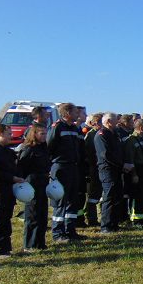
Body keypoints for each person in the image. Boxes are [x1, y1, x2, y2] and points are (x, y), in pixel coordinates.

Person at [0, 124, 26, 258]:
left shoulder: (7, 151)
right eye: (8, 134)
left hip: (9, 189)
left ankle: (5, 248)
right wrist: (12, 178)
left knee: (6, 218)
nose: (11, 136)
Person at [47, 102, 83, 243]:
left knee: (72, 200)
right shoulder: (57, 127)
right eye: (75, 112)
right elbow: (49, 147)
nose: (78, 115)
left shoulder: (73, 128)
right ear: (67, 113)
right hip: (61, 168)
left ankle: (70, 230)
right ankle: (58, 233)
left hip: (73, 168)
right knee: (61, 200)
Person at [17, 122, 52, 251]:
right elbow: (21, 168)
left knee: (42, 214)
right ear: (34, 134)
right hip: (32, 184)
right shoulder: (28, 149)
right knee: (32, 214)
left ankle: (40, 243)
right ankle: (30, 244)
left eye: (45, 133)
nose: (44, 136)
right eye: (42, 133)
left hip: (43, 183)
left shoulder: (43, 148)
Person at [94, 112, 126, 233]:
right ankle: (106, 226)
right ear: (108, 122)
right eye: (115, 120)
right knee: (109, 197)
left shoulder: (114, 134)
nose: (117, 122)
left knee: (117, 196)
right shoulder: (101, 135)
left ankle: (114, 223)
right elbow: (106, 154)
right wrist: (122, 165)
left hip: (117, 169)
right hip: (107, 170)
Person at [83, 113, 103, 226]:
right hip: (93, 169)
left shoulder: (101, 133)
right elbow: (89, 153)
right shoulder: (91, 135)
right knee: (92, 195)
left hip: (99, 168)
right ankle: (91, 218)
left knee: (98, 194)